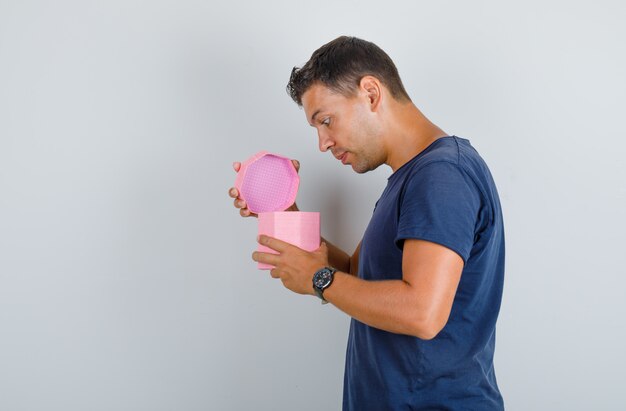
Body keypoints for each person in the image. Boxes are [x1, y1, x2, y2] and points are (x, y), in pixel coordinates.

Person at [228, 36, 505, 410]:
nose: (322, 143)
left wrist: (317, 280)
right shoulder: (411, 177)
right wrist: (282, 210)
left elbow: (422, 312)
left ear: (371, 93)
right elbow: (360, 275)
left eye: (325, 120)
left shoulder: (441, 176)